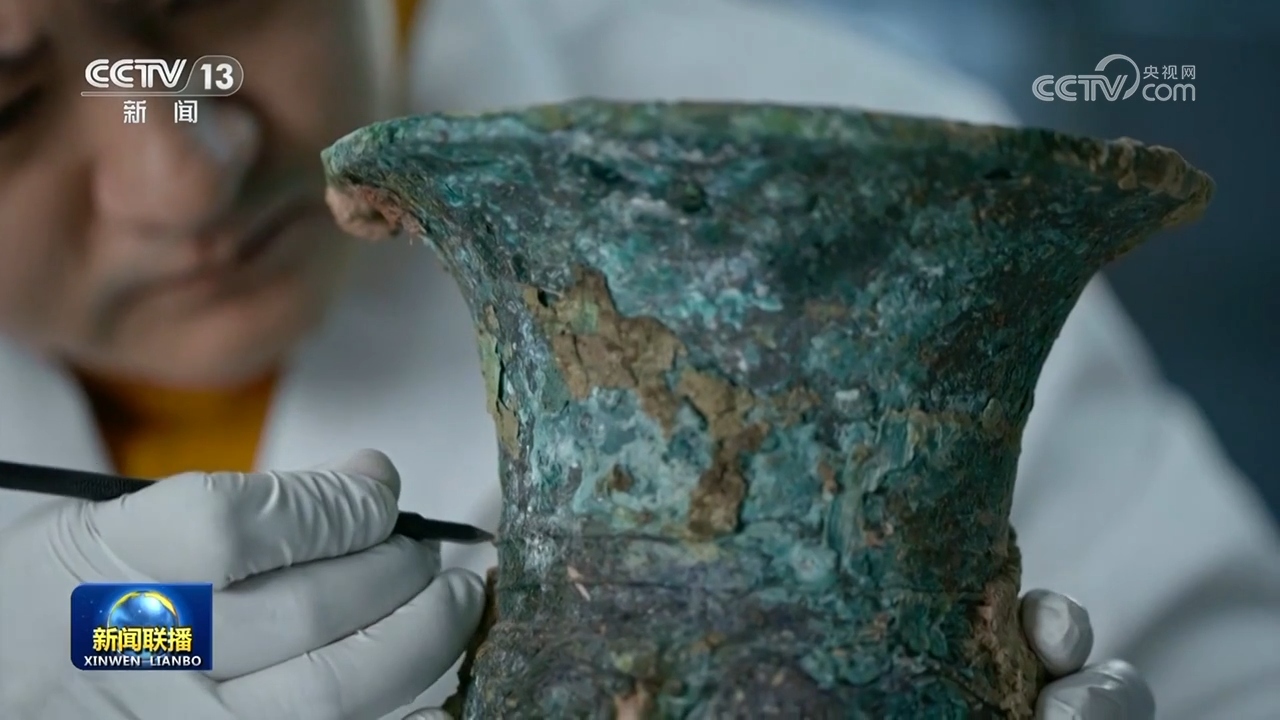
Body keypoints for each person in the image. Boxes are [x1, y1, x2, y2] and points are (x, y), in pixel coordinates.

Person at [0, 0, 1276, 718]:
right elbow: (106, 644)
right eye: (9, 107)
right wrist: (90, 651)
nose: (186, 169)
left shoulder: (848, 147)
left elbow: (1234, 681)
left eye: (208, 4)